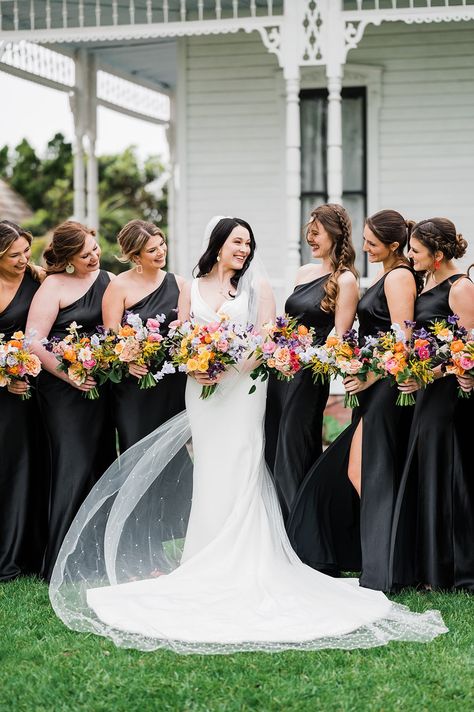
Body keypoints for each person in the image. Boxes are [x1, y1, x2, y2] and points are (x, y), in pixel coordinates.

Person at [49, 216, 446, 654]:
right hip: (202, 391)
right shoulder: (190, 285)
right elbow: (182, 333)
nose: (243, 249)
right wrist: (196, 363)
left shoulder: (259, 287)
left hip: (243, 389)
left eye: (248, 243)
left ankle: (249, 557)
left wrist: (228, 366)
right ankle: (201, 556)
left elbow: (265, 337)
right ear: (218, 245)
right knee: (210, 470)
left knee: (242, 464)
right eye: (237, 242)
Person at [288, 210, 418, 592]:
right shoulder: (383, 273)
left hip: (385, 388)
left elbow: (403, 339)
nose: (365, 247)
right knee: (354, 475)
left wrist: (371, 373)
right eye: (363, 239)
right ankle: (373, 558)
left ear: (394, 246)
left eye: (372, 243)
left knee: (365, 474)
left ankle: (388, 567)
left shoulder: (398, 277)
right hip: (370, 389)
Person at [26, 221, 116, 581]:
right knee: (72, 465)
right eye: (85, 255)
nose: (94, 257)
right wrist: (69, 372)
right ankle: (61, 559)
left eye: (95, 249)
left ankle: (95, 553)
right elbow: (34, 340)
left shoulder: (108, 279)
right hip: (62, 389)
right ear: (66, 259)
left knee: (100, 464)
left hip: (99, 387)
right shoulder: (54, 285)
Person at [390, 218, 474, 592]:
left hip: (448, 396)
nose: (409, 256)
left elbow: (470, 346)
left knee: (447, 472)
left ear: (438, 255)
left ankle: (457, 569)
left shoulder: (461, 288)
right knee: (428, 469)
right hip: (426, 390)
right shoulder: (429, 281)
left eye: (416, 251)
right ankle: (430, 565)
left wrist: (433, 374)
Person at [265, 204, 358, 521]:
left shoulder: (344, 281)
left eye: (316, 232)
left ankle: (300, 533)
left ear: (335, 233)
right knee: (275, 444)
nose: (310, 238)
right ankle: (277, 526)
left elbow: (339, 340)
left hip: (308, 376)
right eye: (309, 232)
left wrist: (305, 356)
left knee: (295, 448)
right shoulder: (304, 272)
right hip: (279, 373)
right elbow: (286, 322)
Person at [102, 219, 186, 450]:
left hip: (171, 383)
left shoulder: (179, 284)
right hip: (134, 385)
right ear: (136, 256)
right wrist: (127, 363)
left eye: (162, 244)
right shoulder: (118, 286)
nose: (160, 252)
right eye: (152, 250)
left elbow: (186, 332)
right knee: (136, 448)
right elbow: (110, 337)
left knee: (172, 454)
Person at [0, 221, 45, 579]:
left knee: (33, 465)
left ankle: (30, 549)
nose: (22, 259)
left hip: (36, 391)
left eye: (25, 252)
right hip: (4, 392)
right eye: (14, 255)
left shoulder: (39, 279)